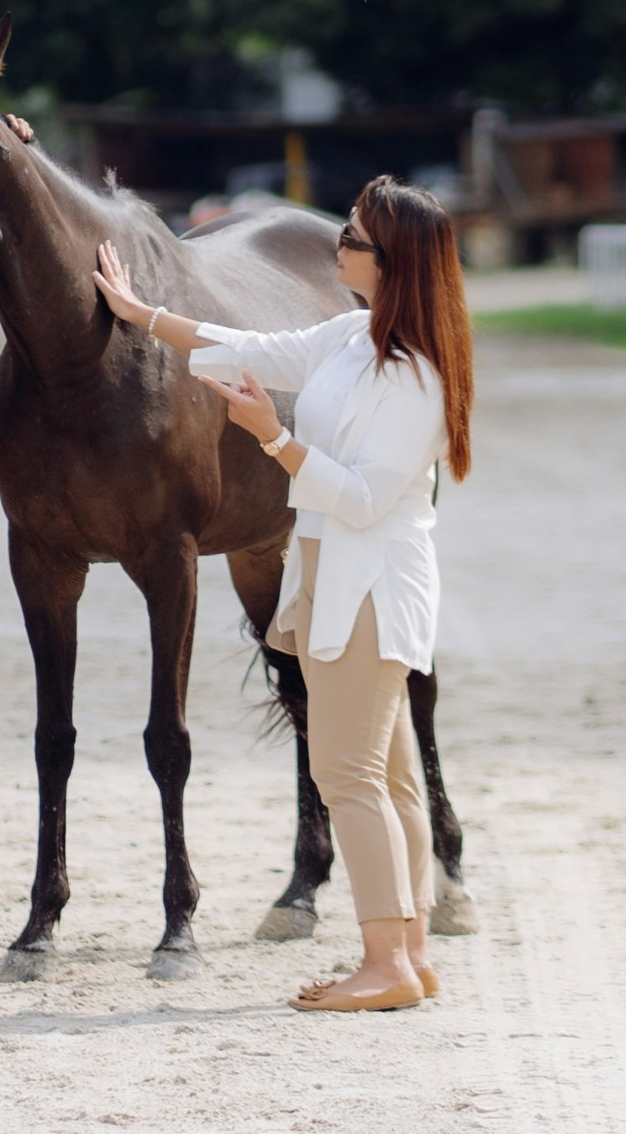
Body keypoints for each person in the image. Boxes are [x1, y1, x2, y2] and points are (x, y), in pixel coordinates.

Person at [91, 176, 474, 1013]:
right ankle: (407, 953)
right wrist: (139, 313)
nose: (337, 244)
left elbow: (367, 499)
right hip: (344, 575)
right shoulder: (351, 335)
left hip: (369, 583)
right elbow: (246, 345)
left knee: (347, 777)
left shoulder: (415, 377)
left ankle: (383, 963)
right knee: (394, 780)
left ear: (394, 262)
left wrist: (273, 438)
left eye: (354, 238)